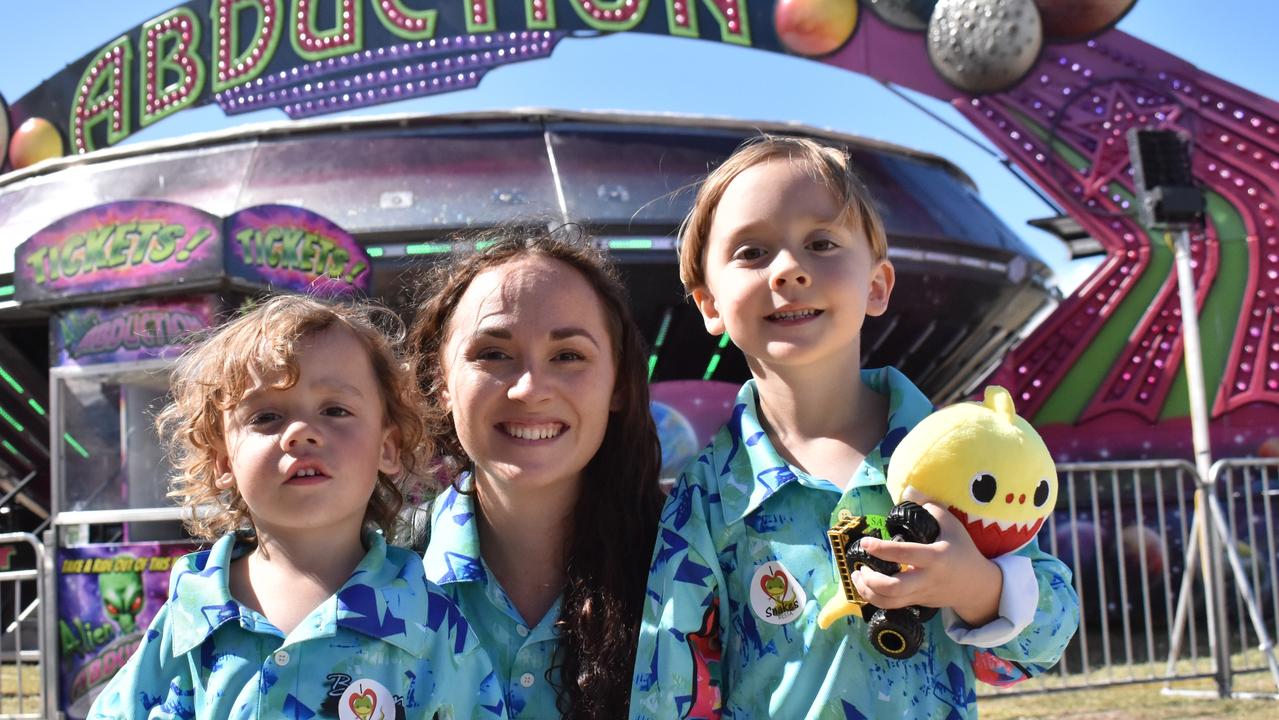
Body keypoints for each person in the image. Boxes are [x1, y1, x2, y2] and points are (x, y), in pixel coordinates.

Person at [629, 136, 1079, 719]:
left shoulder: (962, 459)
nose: (789, 269)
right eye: (751, 252)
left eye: (821, 243)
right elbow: (666, 684)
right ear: (709, 304)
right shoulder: (707, 495)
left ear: (877, 285)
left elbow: (1040, 644)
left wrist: (976, 588)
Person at [89, 295, 506, 719]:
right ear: (222, 462)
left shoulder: (431, 624)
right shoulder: (187, 619)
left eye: (335, 410)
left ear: (387, 448)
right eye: (266, 417)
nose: (301, 433)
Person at [409, 226, 665, 719]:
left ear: (618, 384)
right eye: (493, 354)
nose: (530, 389)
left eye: (568, 355)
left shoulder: (698, 566)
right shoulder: (372, 572)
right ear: (440, 382)